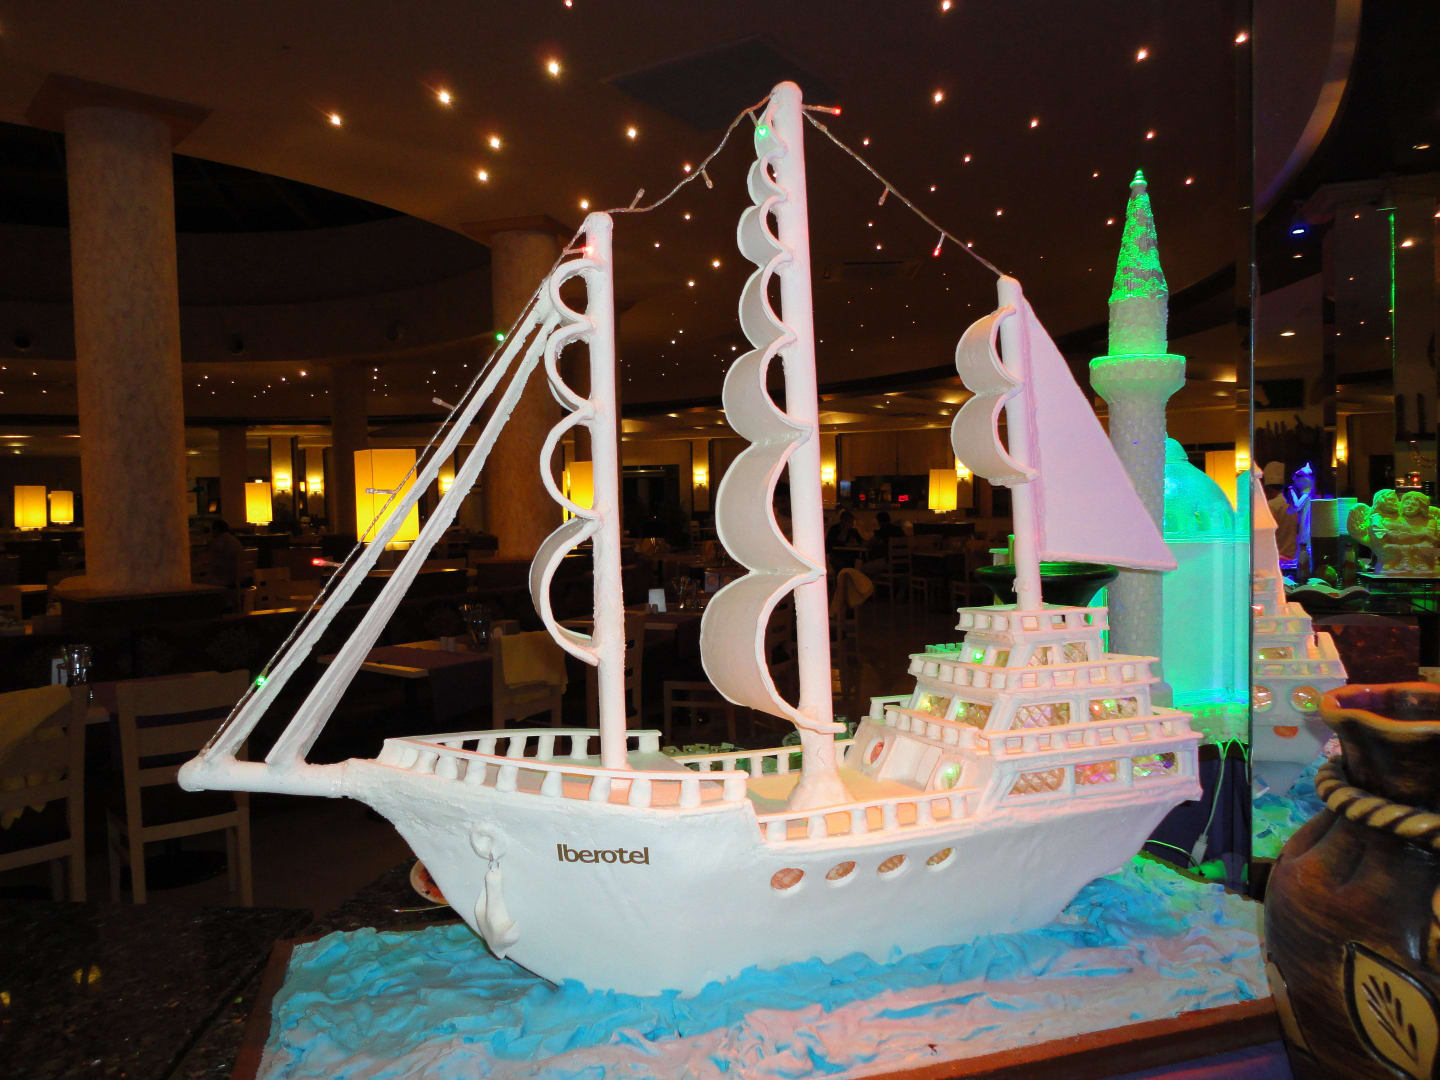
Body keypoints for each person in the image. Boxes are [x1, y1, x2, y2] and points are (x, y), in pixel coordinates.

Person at [201, 518, 245, 588]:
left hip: (225, 579)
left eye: (212, 530)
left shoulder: (219, 541)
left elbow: (213, 561)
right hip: (238, 578)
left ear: (216, 530)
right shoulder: (234, 540)